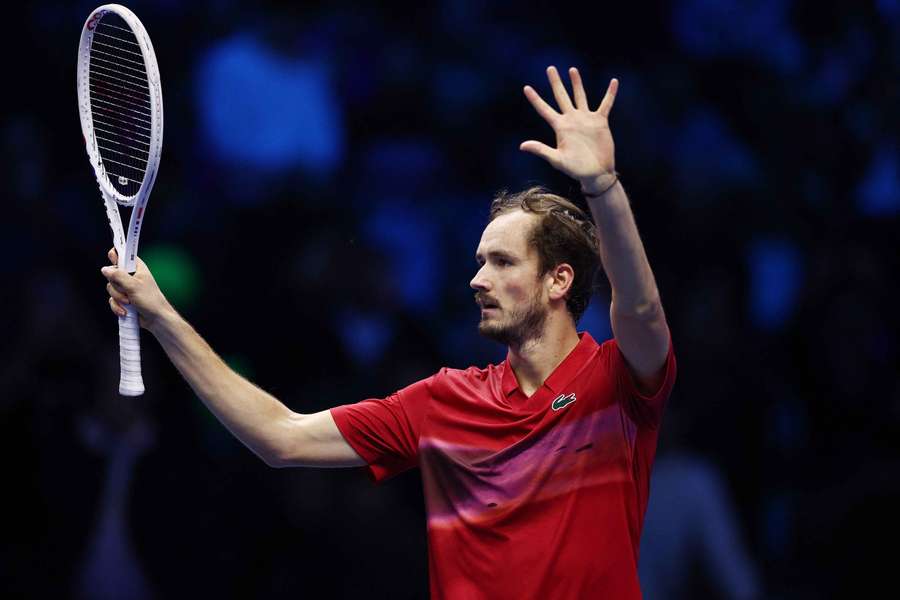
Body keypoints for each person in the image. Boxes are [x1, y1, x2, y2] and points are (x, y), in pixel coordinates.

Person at [101, 66, 676, 599]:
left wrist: (603, 187)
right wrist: (162, 317)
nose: (477, 280)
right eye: (478, 261)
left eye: (502, 263)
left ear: (559, 281)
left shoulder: (614, 387)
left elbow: (642, 312)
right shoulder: (443, 402)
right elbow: (280, 437)